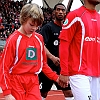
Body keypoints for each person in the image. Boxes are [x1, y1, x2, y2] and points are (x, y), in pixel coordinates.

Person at [0, 3, 61, 100]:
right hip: (16, 81)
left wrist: (56, 77)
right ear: (23, 19)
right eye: (32, 24)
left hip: (33, 82)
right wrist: (7, 93)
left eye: (37, 26)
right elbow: (4, 67)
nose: (34, 28)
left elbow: (42, 64)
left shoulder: (39, 38)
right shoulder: (13, 40)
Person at [59, 0, 100, 100]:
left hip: (97, 73)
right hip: (79, 73)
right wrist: (64, 71)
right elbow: (64, 44)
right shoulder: (75, 15)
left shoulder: (99, 18)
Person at [39, 3, 73, 100]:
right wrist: (52, 57)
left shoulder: (67, 29)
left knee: (69, 92)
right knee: (43, 93)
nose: (60, 12)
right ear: (54, 12)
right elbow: (41, 45)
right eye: (58, 9)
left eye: (63, 10)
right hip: (48, 67)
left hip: (62, 69)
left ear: (65, 13)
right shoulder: (47, 27)